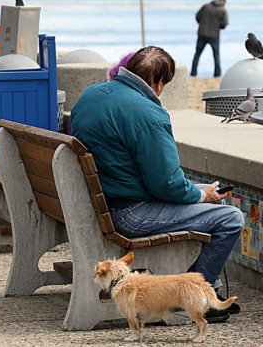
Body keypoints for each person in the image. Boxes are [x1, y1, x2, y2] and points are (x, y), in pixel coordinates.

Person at [71, 46, 244, 322]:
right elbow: (167, 185)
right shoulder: (149, 114)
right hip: (130, 213)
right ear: (159, 83)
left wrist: (197, 191)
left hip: (103, 202)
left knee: (198, 192)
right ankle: (195, 300)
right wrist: (203, 196)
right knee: (230, 219)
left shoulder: (92, 94)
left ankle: (210, 290)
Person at [190, 0, 228, 78]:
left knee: (197, 53)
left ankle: (193, 73)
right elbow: (225, 23)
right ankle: (217, 74)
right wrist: (218, 26)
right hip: (214, 35)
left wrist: (202, 24)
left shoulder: (206, 6)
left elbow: (197, 16)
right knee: (216, 55)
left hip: (202, 33)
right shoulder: (222, 10)